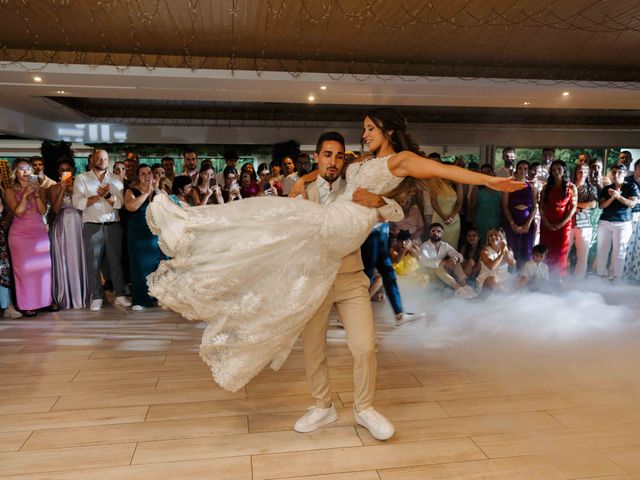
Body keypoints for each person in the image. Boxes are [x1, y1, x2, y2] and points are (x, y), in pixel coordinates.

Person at [145, 107, 524, 395]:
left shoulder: (399, 161)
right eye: (363, 129)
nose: (365, 134)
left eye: (370, 129)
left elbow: (446, 173)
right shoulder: (360, 162)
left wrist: (490, 179)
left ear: (388, 131)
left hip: (342, 231)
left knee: (267, 224)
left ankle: (195, 232)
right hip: (330, 228)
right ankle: (195, 233)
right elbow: (329, 175)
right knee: (264, 226)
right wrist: (302, 182)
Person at [294, 131, 403, 441]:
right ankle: (322, 406)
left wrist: (378, 200)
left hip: (352, 278)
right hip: (315, 281)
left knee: (365, 346)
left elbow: (397, 213)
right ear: (317, 157)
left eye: (339, 155)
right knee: (313, 349)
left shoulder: (357, 186)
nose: (334, 161)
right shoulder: (302, 190)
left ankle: (364, 408)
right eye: (327, 154)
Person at [72, 149, 131, 311]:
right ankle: (96, 296)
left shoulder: (116, 179)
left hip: (113, 226)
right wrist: (98, 197)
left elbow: (120, 204)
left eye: (105, 158)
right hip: (92, 226)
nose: (102, 160)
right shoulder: (81, 178)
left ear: (108, 160)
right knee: (93, 264)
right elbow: (78, 203)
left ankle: (120, 295)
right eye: (98, 158)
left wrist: (107, 196)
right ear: (92, 160)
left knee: (116, 262)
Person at [5, 158, 52, 315]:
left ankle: (44, 301)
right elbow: (17, 212)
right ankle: (27, 305)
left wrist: (37, 195)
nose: (25, 172)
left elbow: (42, 210)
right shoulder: (10, 190)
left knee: (43, 268)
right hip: (20, 236)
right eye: (21, 168)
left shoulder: (39, 187)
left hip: (39, 233)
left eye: (28, 169)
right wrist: (24, 195)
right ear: (15, 172)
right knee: (24, 271)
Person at [49, 158, 90, 309]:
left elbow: (85, 207)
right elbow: (55, 209)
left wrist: (74, 190)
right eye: (62, 170)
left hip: (79, 225)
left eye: (68, 169)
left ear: (73, 171)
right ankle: (66, 295)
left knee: (81, 257)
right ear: (58, 173)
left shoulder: (81, 186)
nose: (65, 172)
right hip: (63, 227)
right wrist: (61, 189)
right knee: (65, 259)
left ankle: (83, 295)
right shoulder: (53, 188)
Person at [125, 164, 164, 311]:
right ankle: (140, 299)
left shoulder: (158, 192)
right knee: (139, 266)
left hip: (154, 234)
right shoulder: (131, 191)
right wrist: (146, 193)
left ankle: (157, 296)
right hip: (137, 234)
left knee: (156, 265)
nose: (146, 176)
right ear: (138, 176)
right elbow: (131, 207)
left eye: (149, 173)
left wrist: (155, 189)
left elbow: (166, 207)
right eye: (142, 173)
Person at [597, 164, 639, 282]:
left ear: (625, 174)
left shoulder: (631, 186)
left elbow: (632, 204)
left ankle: (617, 277)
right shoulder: (607, 188)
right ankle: (601, 275)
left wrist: (618, 196)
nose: (616, 175)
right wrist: (612, 197)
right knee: (602, 250)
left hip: (623, 224)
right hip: (605, 222)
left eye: (619, 172)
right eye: (614, 172)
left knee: (619, 251)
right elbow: (601, 205)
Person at [418, 223, 477, 299]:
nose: (436, 233)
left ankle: (465, 286)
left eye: (439, 231)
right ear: (430, 233)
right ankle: (458, 288)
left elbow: (459, 256)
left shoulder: (444, 245)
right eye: (433, 231)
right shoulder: (424, 246)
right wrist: (444, 262)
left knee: (455, 262)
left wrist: (454, 259)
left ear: (442, 234)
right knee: (437, 266)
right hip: (429, 274)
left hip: (443, 273)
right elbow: (425, 261)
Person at [539, 160, 577, 276]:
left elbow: (573, 207)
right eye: (553, 170)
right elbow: (541, 207)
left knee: (561, 252)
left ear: (564, 170)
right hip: (547, 224)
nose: (556, 172)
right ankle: (545, 276)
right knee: (546, 251)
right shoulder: (546, 187)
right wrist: (546, 222)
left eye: (559, 169)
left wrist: (562, 223)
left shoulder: (571, 187)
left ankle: (558, 277)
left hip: (563, 225)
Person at [502, 160, 537, 267]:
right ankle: (511, 276)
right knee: (512, 249)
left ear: (528, 171)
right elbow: (505, 206)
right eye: (520, 168)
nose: (522, 171)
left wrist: (528, 223)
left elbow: (535, 206)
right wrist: (512, 223)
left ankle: (523, 277)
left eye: (525, 168)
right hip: (512, 220)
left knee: (526, 250)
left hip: (527, 222)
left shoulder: (532, 186)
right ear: (516, 170)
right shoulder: (509, 185)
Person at [568, 162, 598, 278]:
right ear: (575, 172)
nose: (582, 173)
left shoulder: (591, 188)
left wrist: (575, 205)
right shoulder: (568, 186)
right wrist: (581, 206)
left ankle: (579, 280)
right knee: (564, 252)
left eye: (585, 171)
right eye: (580, 171)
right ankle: (561, 277)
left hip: (585, 225)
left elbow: (592, 204)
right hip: (568, 224)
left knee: (582, 256)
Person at [476, 227, 516, 292]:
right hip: (487, 279)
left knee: (520, 280)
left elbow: (513, 264)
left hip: (504, 277)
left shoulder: (508, 251)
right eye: (490, 236)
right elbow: (491, 267)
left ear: (502, 238)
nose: (493, 237)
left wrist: (505, 250)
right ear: (488, 239)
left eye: (496, 235)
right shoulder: (484, 251)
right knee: (492, 279)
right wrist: (502, 254)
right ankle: (508, 294)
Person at [469, 164, 502, 242]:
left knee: (495, 243)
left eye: (488, 172)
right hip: (481, 223)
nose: (486, 174)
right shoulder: (476, 189)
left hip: (497, 222)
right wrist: (474, 225)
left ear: (493, 173)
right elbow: (472, 207)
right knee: (482, 245)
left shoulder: (500, 188)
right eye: (483, 173)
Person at [430, 179, 462, 248]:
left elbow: (459, 203)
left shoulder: (457, 184)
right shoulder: (435, 185)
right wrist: (443, 217)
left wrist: (450, 217)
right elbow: (434, 203)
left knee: (452, 246)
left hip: (453, 221)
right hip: (438, 219)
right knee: (437, 245)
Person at [623, 159, 640, 282]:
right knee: (627, 245)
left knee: (638, 248)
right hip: (628, 215)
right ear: (635, 168)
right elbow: (626, 200)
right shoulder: (627, 181)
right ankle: (622, 275)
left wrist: (635, 201)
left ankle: (636, 275)